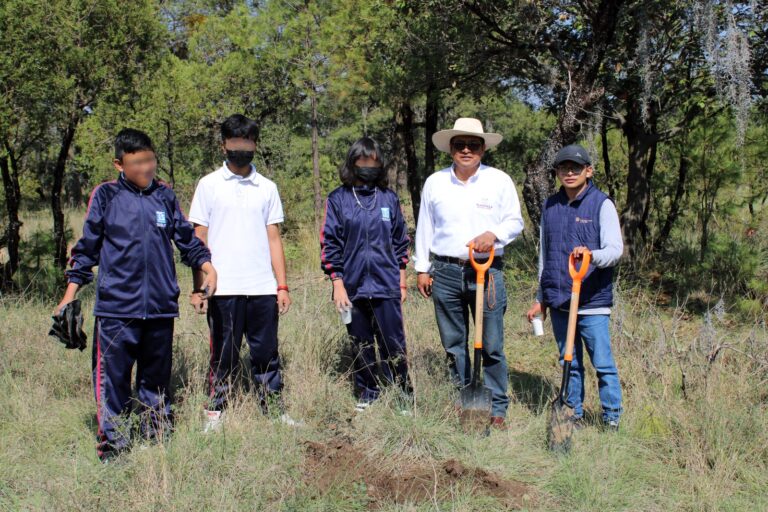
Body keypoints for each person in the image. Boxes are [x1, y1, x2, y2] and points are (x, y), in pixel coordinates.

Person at [56, 128, 216, 461]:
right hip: (117, 310)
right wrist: (69, 294)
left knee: (155, 381)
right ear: (119, 164)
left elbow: (186, 239)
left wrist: (206, 265)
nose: (147, 168)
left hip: (160, 308)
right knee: (112, 382)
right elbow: (87, 249)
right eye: (138, 162)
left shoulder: (165, 196)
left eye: (151, 160)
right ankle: (113, 448)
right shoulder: (106, 196)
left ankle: (155, 441)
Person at [414, 118, 524, 429]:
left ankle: (496, 407)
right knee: (454, 343)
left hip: (487, 271)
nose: (466, 150)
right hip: (446, 271)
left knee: (490, 343)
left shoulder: (499, 181)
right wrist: (422, 268)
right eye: (460, 144)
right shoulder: (435, 182)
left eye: (473, 145)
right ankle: (462, 399)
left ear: (483, 149)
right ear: (450, 148)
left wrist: (494, 234)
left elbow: (515, 222)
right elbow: (426, 226)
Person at [188, 114, 292, 431]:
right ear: (224, 145)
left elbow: (274, 238)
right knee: (223, 355)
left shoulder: (267, 188)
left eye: (247, 142)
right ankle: (215, 414)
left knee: (266, 353)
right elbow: (198, 239)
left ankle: (274, 410)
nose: (241, 148)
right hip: (222, 288)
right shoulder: (208, 185)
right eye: (235, 142)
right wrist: (198, 287)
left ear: (255, 145)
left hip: (261, 287)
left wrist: (282, 285)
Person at [526, 144, 624, 431]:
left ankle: (612, 418)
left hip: (592, 301)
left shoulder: (601, 204)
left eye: (576, 168)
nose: (569, 172)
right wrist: (540, 298)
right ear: (556, 172)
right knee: (569, 360)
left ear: (588, 171)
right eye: (563, 167)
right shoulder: (550, 205)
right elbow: (545, 256)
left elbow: (615, 250)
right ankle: (574, 413)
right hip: (559, 300)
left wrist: (592, 256)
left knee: (602, 363)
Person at [320, 137, 411, 412]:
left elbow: (400, 240)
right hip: (352, 286)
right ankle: (368, 394)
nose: (368, 166)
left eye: (373, 162)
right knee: (360, 343)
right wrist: (337, 281)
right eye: (363, 161)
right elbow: (329, 242)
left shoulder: (388, 198)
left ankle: (403, 395)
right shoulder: (339, 199)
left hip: (386, 284)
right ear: (353, 163)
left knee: (393, 343)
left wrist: (402, 279)